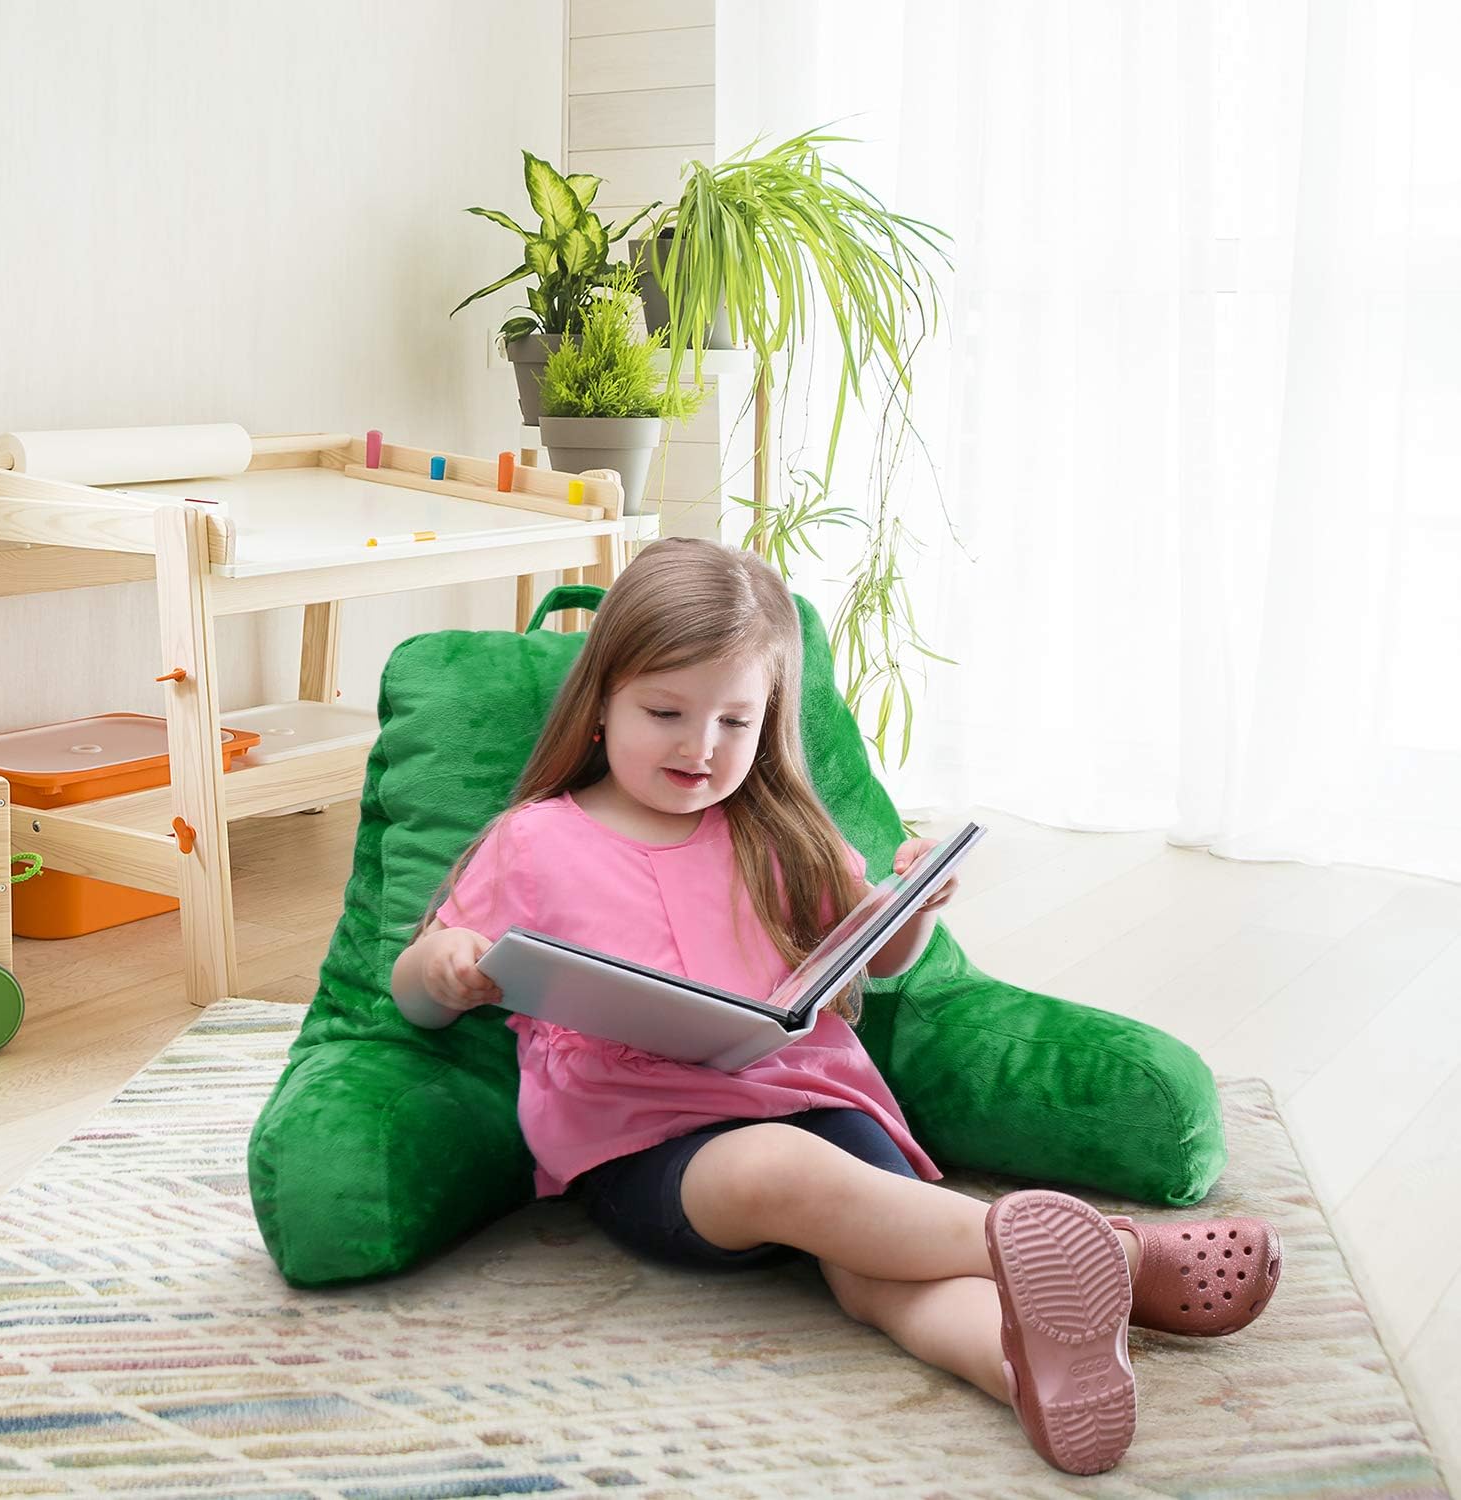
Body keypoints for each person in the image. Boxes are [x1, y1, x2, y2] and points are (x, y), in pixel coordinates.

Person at [391, 538, 1282, 1476]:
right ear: (602, 702)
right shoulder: (536, 841)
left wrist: (911, 909)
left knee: (881, 1275)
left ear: (769, 719)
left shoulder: (776, 831)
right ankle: (1121, 1257)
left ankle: (1032, 1371)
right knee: (778, 1170)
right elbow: (418, 993)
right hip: (647, 1146)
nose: (701, 747)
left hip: (815, 1101)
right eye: (666, 713)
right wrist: (441, 968)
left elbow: (872, 961)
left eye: (735, 721)